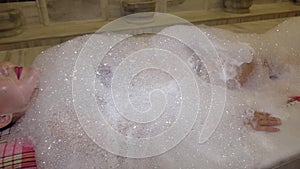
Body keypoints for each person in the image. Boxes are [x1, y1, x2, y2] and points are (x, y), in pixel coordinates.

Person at [3, 17, 300, 169]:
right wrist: (237, 113)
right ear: (3, 116)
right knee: (254, 62)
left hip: (175, 56)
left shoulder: (51, 63)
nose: (4, 65)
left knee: (256, 56)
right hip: (190, 81)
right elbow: (149, 127)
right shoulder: (60, 124)